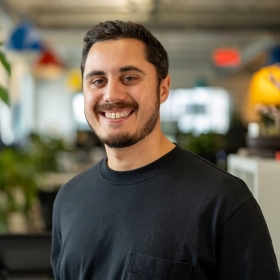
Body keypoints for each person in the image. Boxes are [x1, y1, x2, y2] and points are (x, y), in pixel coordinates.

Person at [51, 20, 280, 280]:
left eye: (129, 78)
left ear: (163, 89)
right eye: (97, 80)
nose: (111, 94)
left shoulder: (223, 201)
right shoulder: (68, 199)